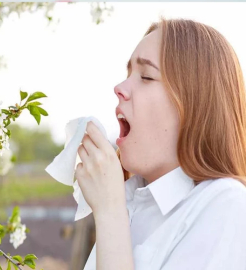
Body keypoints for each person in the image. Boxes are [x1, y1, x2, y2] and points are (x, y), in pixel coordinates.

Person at [76, 17, 246, 270]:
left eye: (146, 77)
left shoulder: (228, 207)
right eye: (128, 74)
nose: (119, 87)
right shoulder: (130, 203)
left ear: (195, 104)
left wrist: (110, 212)